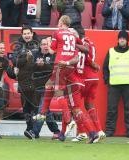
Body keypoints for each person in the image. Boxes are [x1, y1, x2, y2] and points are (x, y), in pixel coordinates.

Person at [37, 15, 99, 143]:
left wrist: (49, 43)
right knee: (49, 85)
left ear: (61, 22)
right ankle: (46, 117)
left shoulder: (58, 33)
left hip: (68, 72)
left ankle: (72, 123)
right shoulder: (74, 40)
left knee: (65, 100)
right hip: (72, 73)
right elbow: (83, 53)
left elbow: (52, 51)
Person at [103, 30, 129, 137]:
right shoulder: (111, 51)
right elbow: (105, 67)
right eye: (120, 38)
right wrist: (107, 80)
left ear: (127, 40)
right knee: (111, 109)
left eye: (124, 38)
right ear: (118, 39)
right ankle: (110, 130)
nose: (122, 39)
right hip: (114, 85)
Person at [71, 36, 105, 142]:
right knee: (89, 104)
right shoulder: (90, 41)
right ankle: (99, 130)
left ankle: (82, 132)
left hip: (84, 76)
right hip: (93, 76)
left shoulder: (79, 43)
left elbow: (85, 56)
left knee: (74, 106)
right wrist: (94, 65)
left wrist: (92, 64)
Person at [12, 25, 41, 139]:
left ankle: (35, 130)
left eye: (28, 33)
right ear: (22, 35)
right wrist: (26, 59)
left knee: (36, 107)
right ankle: (29, 128)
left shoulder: (38, 44)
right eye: (25, 34)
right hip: (23, 81)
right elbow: (14, 61)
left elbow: (42, 59)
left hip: (36, 81)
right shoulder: (18, 46)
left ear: (32, 33)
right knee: (26, 108)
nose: (27, 36)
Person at [32, 38, 61, 138]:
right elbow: (30, 68)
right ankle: (56, 131)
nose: (45, 46)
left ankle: (34, 132)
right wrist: (37, 65)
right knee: (46, 110)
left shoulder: (54, 55)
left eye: (47, 44)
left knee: (42, 109)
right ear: (40, 46)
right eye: (43, 44)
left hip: (48, 86)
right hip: (36, 86)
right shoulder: (35, 55)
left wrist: (43, 65)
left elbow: (54, 69)